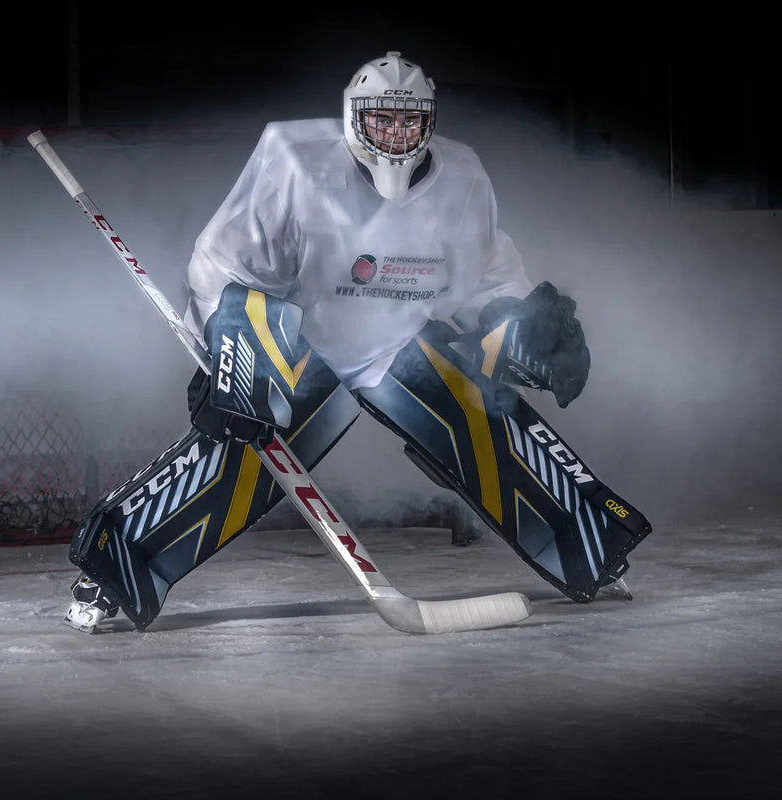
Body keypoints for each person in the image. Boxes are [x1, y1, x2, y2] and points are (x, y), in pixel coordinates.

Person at [65, 52, 643, 635]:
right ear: (353, 118)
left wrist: (521, 325)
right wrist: (235, 346)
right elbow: (222, 265)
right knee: (240, 444)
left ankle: (590, 546)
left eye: (409, 122)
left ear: (430, 122)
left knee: (490, 416)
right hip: (305, 338)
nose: (396, 135)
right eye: (382, 121)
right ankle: (113, 571)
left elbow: (486, 279)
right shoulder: (295, 159)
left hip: (398, 338)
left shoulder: (462, 178)